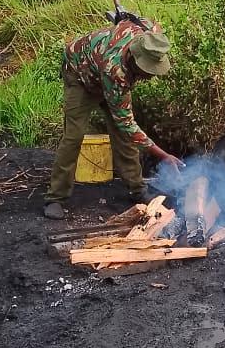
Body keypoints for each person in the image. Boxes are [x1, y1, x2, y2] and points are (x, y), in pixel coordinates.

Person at [43, 15, 183, 220]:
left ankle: (137, 190)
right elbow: (127, 124)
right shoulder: (116, 71)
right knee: (74, 136)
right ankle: (56, 197)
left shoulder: (150, 34)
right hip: (80, 74)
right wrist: (164, 156)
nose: (150, 75)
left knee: (123, 136)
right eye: (147, 71)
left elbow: (134, 18)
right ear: (135, 61)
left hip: (101, 67)